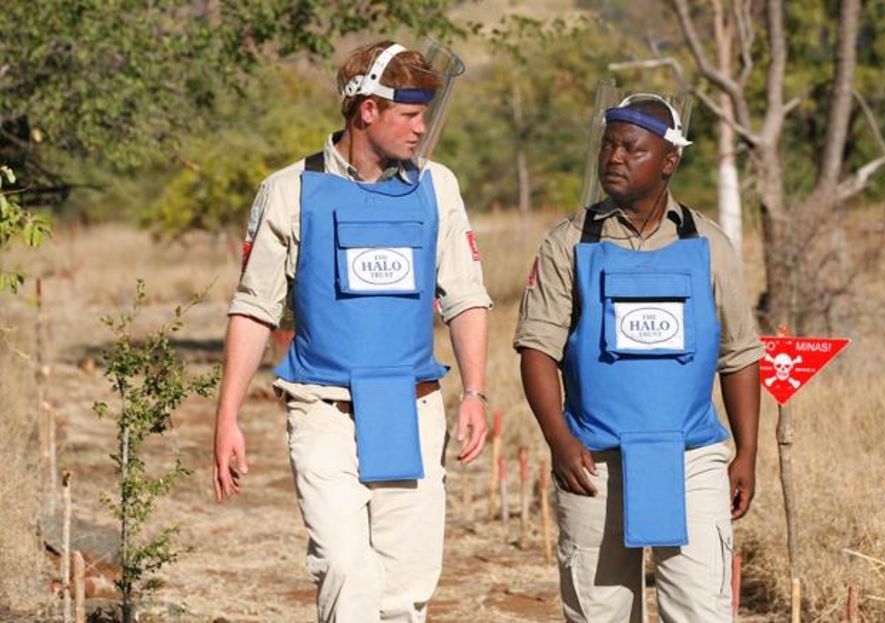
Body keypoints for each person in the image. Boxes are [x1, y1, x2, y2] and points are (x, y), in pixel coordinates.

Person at [211, 40, 492, 622]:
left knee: (401, 593)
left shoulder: (438, 186)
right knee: (346, 568)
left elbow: (465, 296)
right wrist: (227, 416)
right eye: (410, 116)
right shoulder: (289, 190)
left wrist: (475, 392)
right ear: (368, 110)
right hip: (322, 409)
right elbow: (254, 306)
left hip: (411, 408)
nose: (421, 130)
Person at [514, 93, 764, 622]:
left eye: (632, 148)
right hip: (594, 461)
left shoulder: (710, 244)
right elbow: (537, 349)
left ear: (669, 161)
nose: (614, 158)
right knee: (599, 612)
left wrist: (746, 451)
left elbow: (739, 354)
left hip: (693, 460)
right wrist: (560, 441)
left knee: (701, 609)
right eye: (608, 146)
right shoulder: (568, 242)